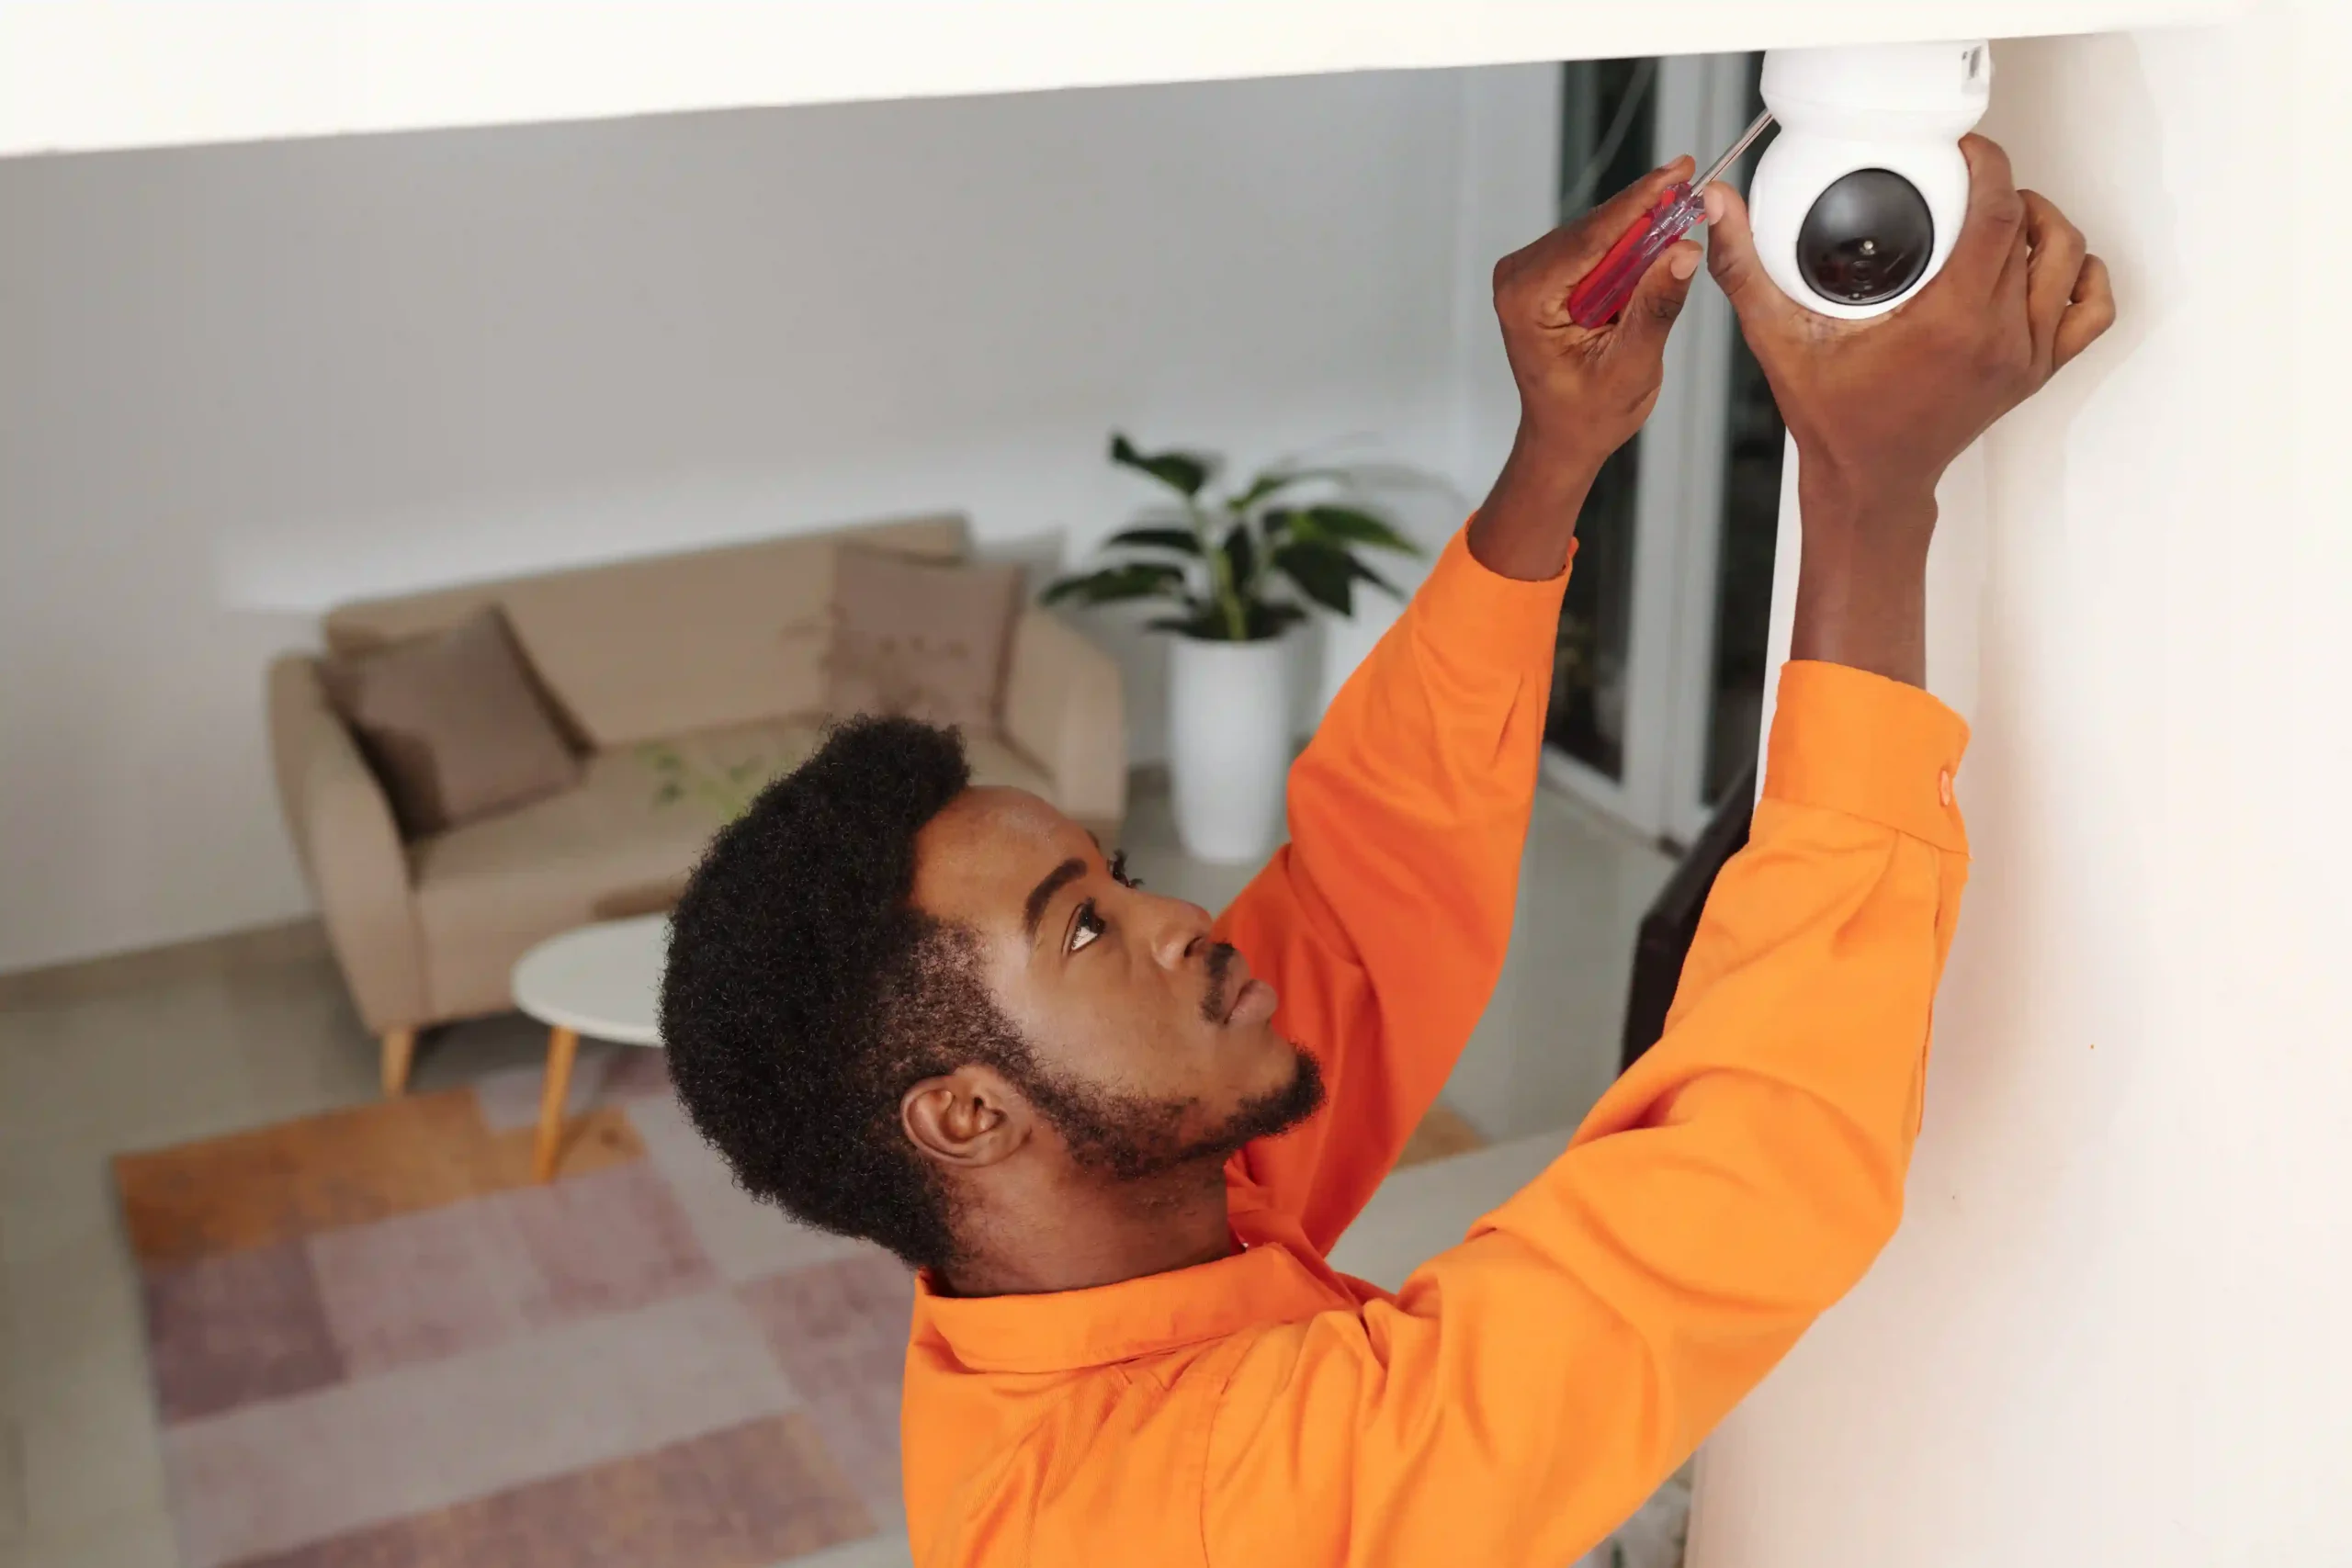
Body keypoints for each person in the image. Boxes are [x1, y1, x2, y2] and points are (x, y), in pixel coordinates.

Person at [660, 134, 2114, 1567]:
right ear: (967, 1117)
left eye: (1111, 874)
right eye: (1084, 929)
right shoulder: (1200, 1505)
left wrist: (1556, 451)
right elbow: (1754, 1167)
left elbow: (1367, 901)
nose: (1176, 915)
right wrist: (1869, 496)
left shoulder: (1073, 1231)